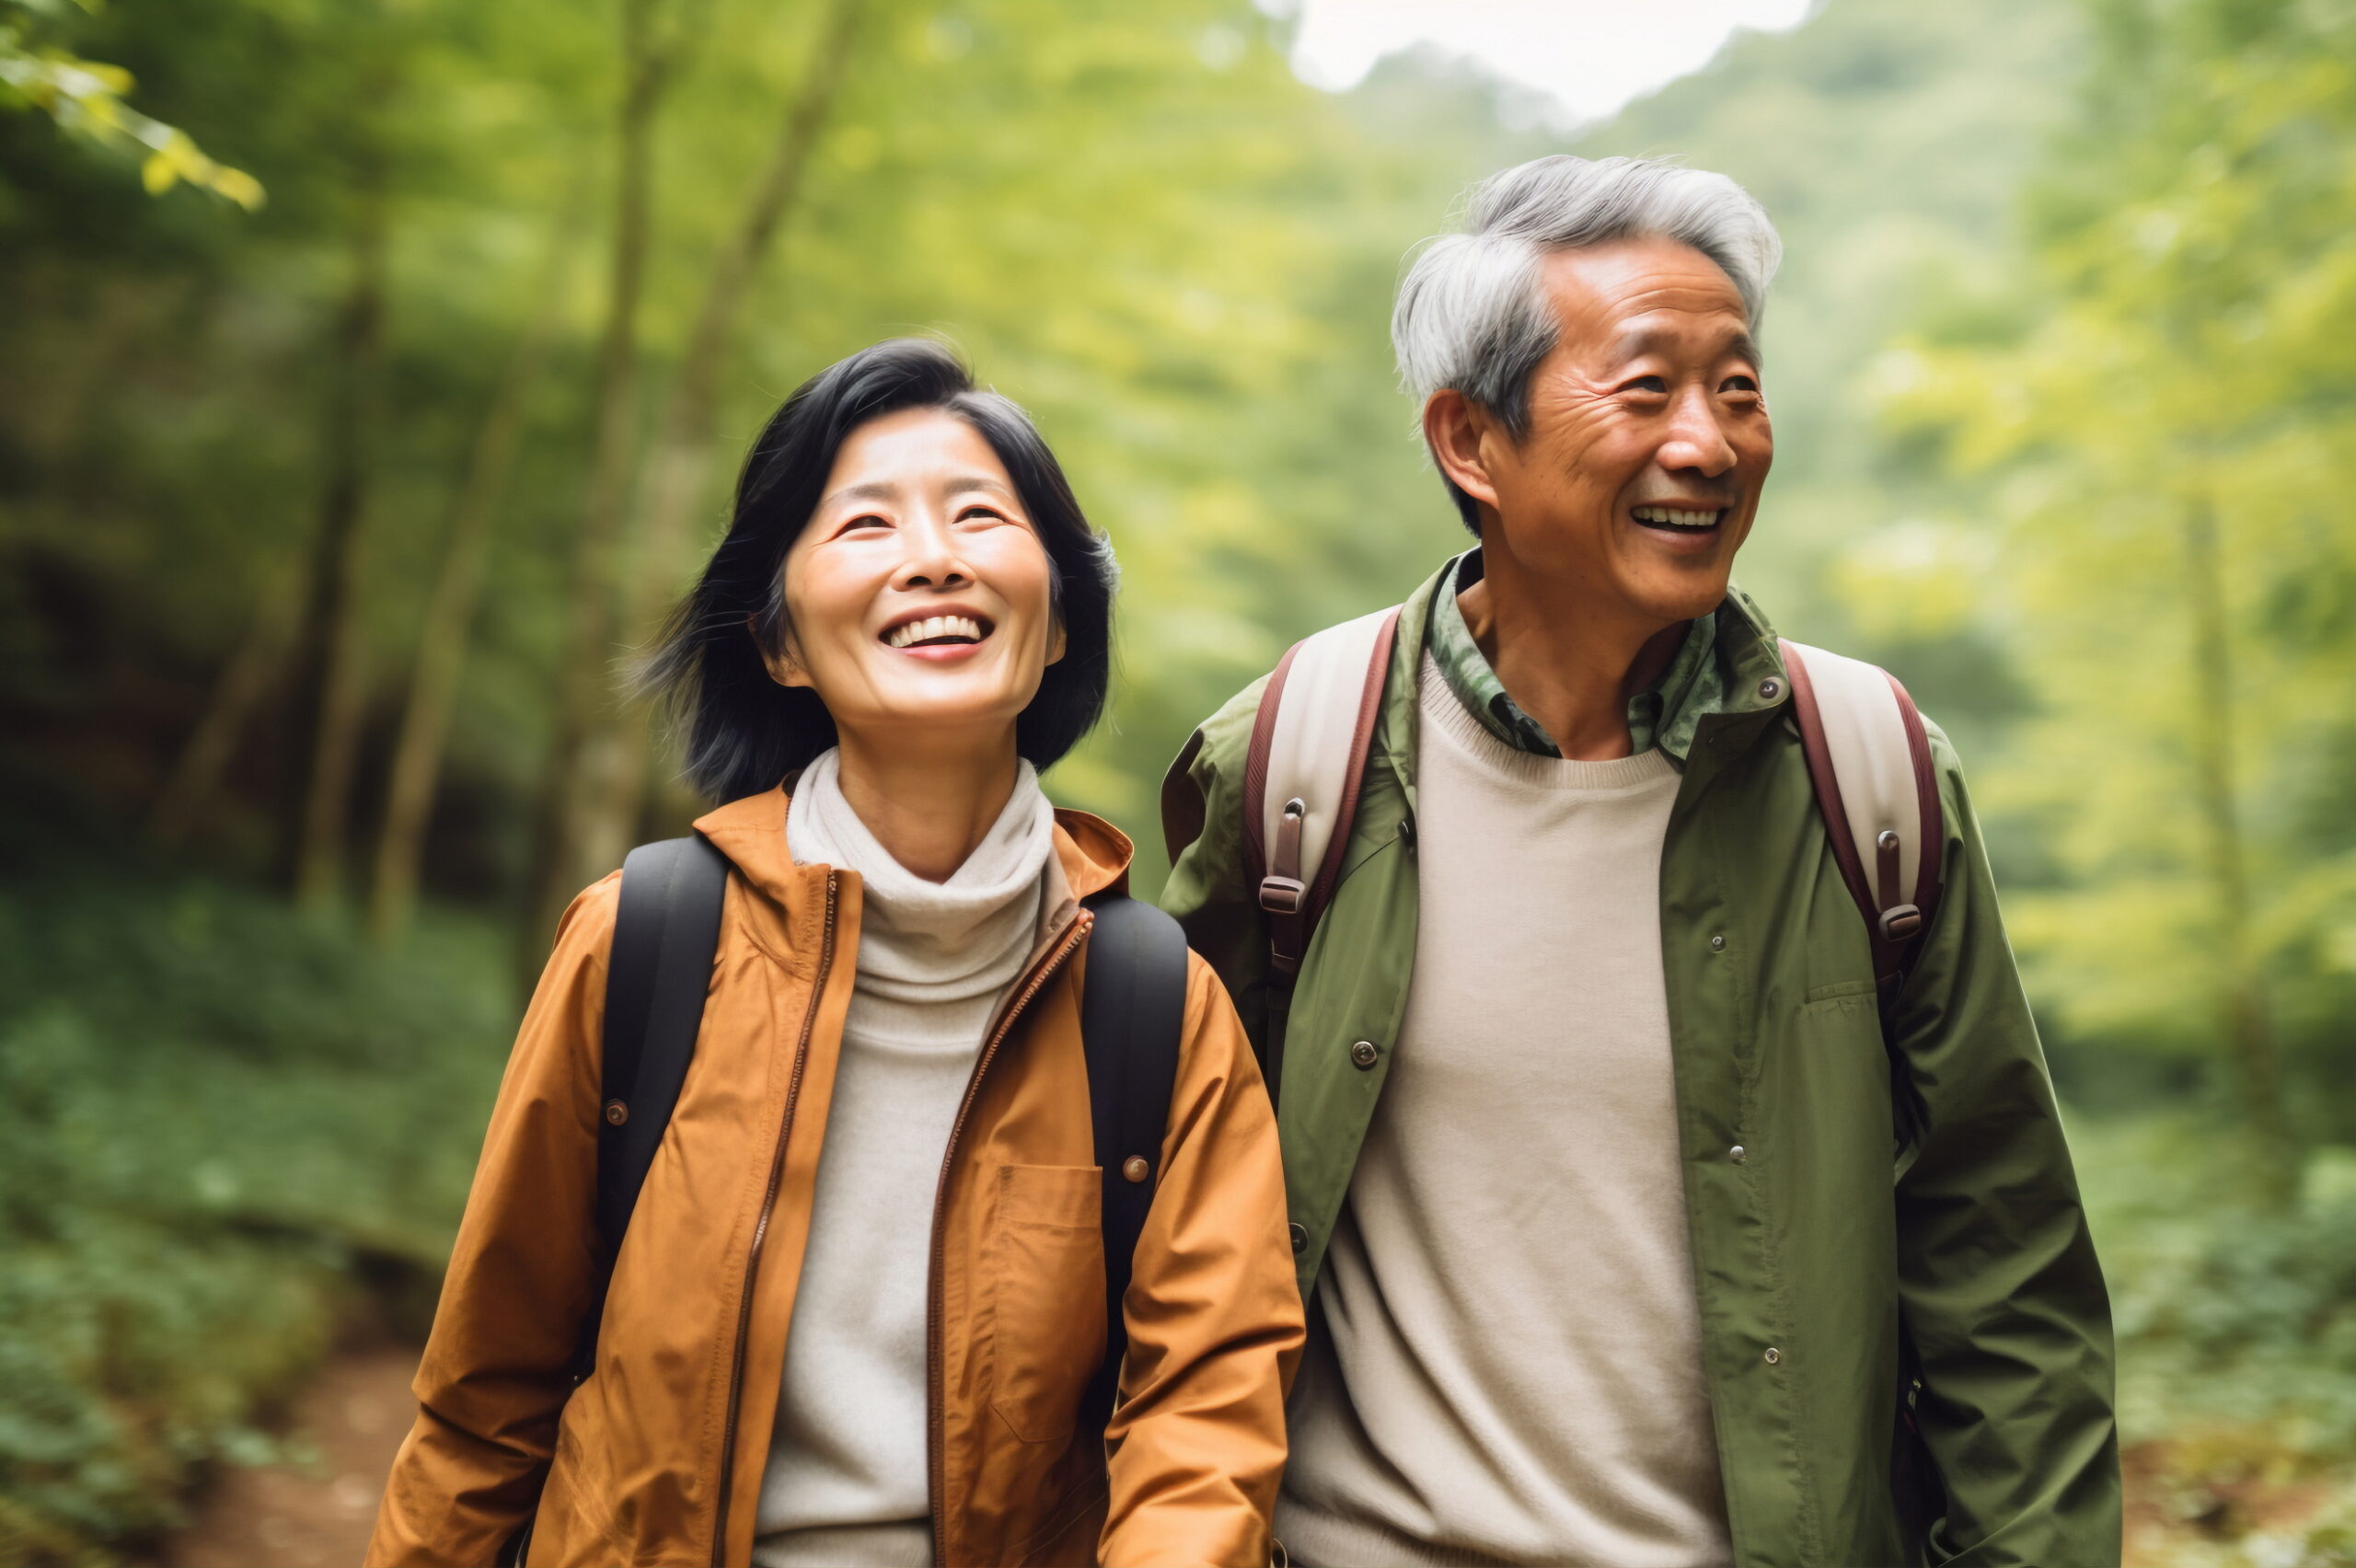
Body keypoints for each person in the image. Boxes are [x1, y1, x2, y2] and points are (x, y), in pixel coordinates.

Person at [1161, 156, 2119, 1568]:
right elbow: (1163, 1240)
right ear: (1471, 442)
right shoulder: (1298, 763)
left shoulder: (1869, 773)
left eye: (1738, 388)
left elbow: (2005, 1270)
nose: (1711, 444)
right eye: (1649, 388)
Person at [369, 340, 1302, 1568]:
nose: (934, 557)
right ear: (780, 644)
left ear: (1062, 620)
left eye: (980, 515)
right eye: (865, 526)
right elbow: (486, 1397)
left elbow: (1206, 1410)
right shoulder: (645, 939)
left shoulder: (1150, 1003)